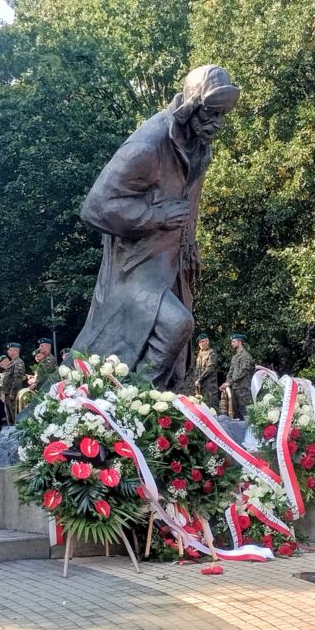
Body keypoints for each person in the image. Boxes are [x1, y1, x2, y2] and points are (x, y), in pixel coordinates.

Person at [73, 65, 240, 389]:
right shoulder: (147, 145)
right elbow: (95, 207)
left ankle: (144, 405)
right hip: (134, 267)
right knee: (176, 325)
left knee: (175, 359)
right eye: (211, 113)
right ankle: (133, 403)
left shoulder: (199, 144)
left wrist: (189, 245)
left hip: (172, 263)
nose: (217, 124)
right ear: (191, 105)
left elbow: (188, 203)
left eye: (222, 115)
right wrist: (156, 216)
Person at [221, 334, 254, 420]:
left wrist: (229, 382)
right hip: (234, 389)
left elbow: (243, 372)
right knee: (236, 414)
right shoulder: (234, 357)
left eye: (233, 341)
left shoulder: (246, 356)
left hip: (243, 390)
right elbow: (230, 372)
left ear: (239, 342)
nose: (232, 344)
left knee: (247, 414)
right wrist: (226, 383)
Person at [191, 333, 220, 409]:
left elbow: (210, 368)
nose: (201, 344)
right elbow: (197, 370)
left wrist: (199, 379)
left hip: (209, 387)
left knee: (211, 408)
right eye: (199, 342)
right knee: (201, 408)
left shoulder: (211, 353)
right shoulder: (200, 354)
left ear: (207, 342)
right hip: (200, 387)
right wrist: (195, 381)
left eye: (203, 341)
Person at [1, 342, 26, 423]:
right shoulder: (12, 363)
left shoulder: (18, 363)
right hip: (7, 394)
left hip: (13, 395)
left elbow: (17, 380)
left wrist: (12, 393)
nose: (8, 351)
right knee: (10, 418)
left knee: (15, 416)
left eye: (10, 350)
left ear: (16, 351)